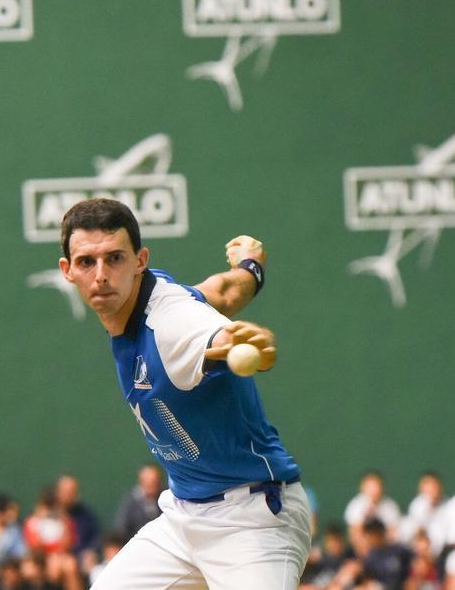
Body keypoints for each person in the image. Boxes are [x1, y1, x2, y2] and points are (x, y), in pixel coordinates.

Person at [56, 198, 311, 588]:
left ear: (140, 260)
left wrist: (250, 344)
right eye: (87, 262)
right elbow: (222, 292)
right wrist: (251, 268)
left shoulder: (171, 323)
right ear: (68, 270)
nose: (102, 275)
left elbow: (212, 335)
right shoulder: (154, 293)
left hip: (254, 520)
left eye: (115, 258)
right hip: (183, 518)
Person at [112, 465, 162, 542]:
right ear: (141, 482)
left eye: (154, 482)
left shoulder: (165, 499)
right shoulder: (130, 501)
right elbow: (121, 528)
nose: (151, 486)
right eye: (147, 482)